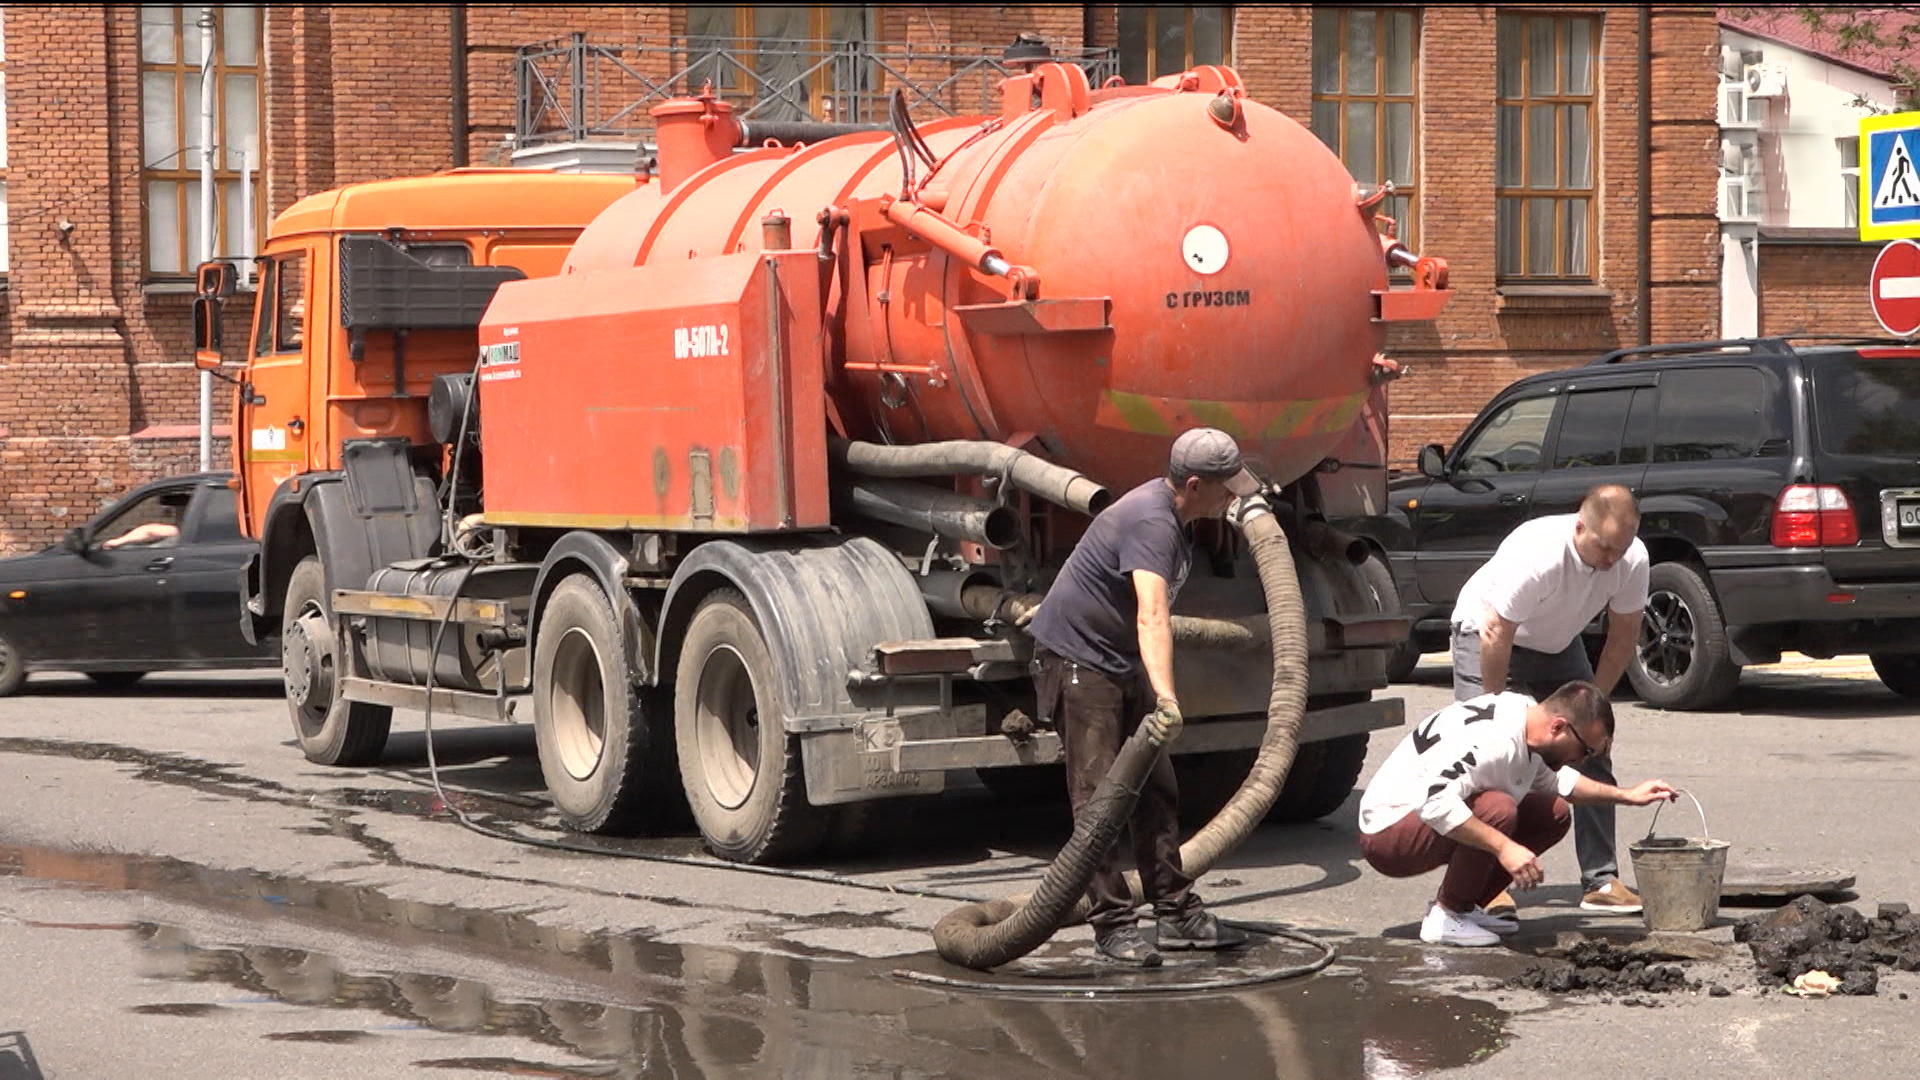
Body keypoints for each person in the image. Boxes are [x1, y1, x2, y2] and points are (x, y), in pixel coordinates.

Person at [1025, 427, 1260, 967]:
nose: (1233, 498)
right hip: (1079, 664)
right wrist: (1168, 696)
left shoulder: (1176, 515)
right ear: (1194, 485)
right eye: (1227, 488)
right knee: (1102, 800)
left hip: (1119, 662)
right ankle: (1111, 924)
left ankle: (1175, 912)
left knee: (1156, 791)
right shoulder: (1152, 521)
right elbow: (1153, 614)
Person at [1449, 484, 1649, 915]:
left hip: (1557, 643)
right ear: (1580, 526)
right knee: (1489, 758)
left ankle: (1601, 880)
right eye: (1604, 547)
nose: (1612, 559)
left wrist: (1596, 709)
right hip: (1487, 634)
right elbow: (1497, 632)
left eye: (1621, 548)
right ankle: (1486, 884)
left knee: (1592, 748)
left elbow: (1623, 637)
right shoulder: (1537, 553)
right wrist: (1492, 713)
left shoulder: (1632, 558)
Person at [1358, 682, 1677, 946]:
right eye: (1585, 750)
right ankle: (1446, 916)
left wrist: (1628, 796)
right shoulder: (1496, 742)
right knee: (1498, 808)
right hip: (1387, 832)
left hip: (1422, 816)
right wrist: (1504, 847)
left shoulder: (1528, 717)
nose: (1582, 760)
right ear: (1559, 727)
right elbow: (1434, 803)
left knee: (1552, 813)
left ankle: (1466, 907)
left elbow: (1558, 784)